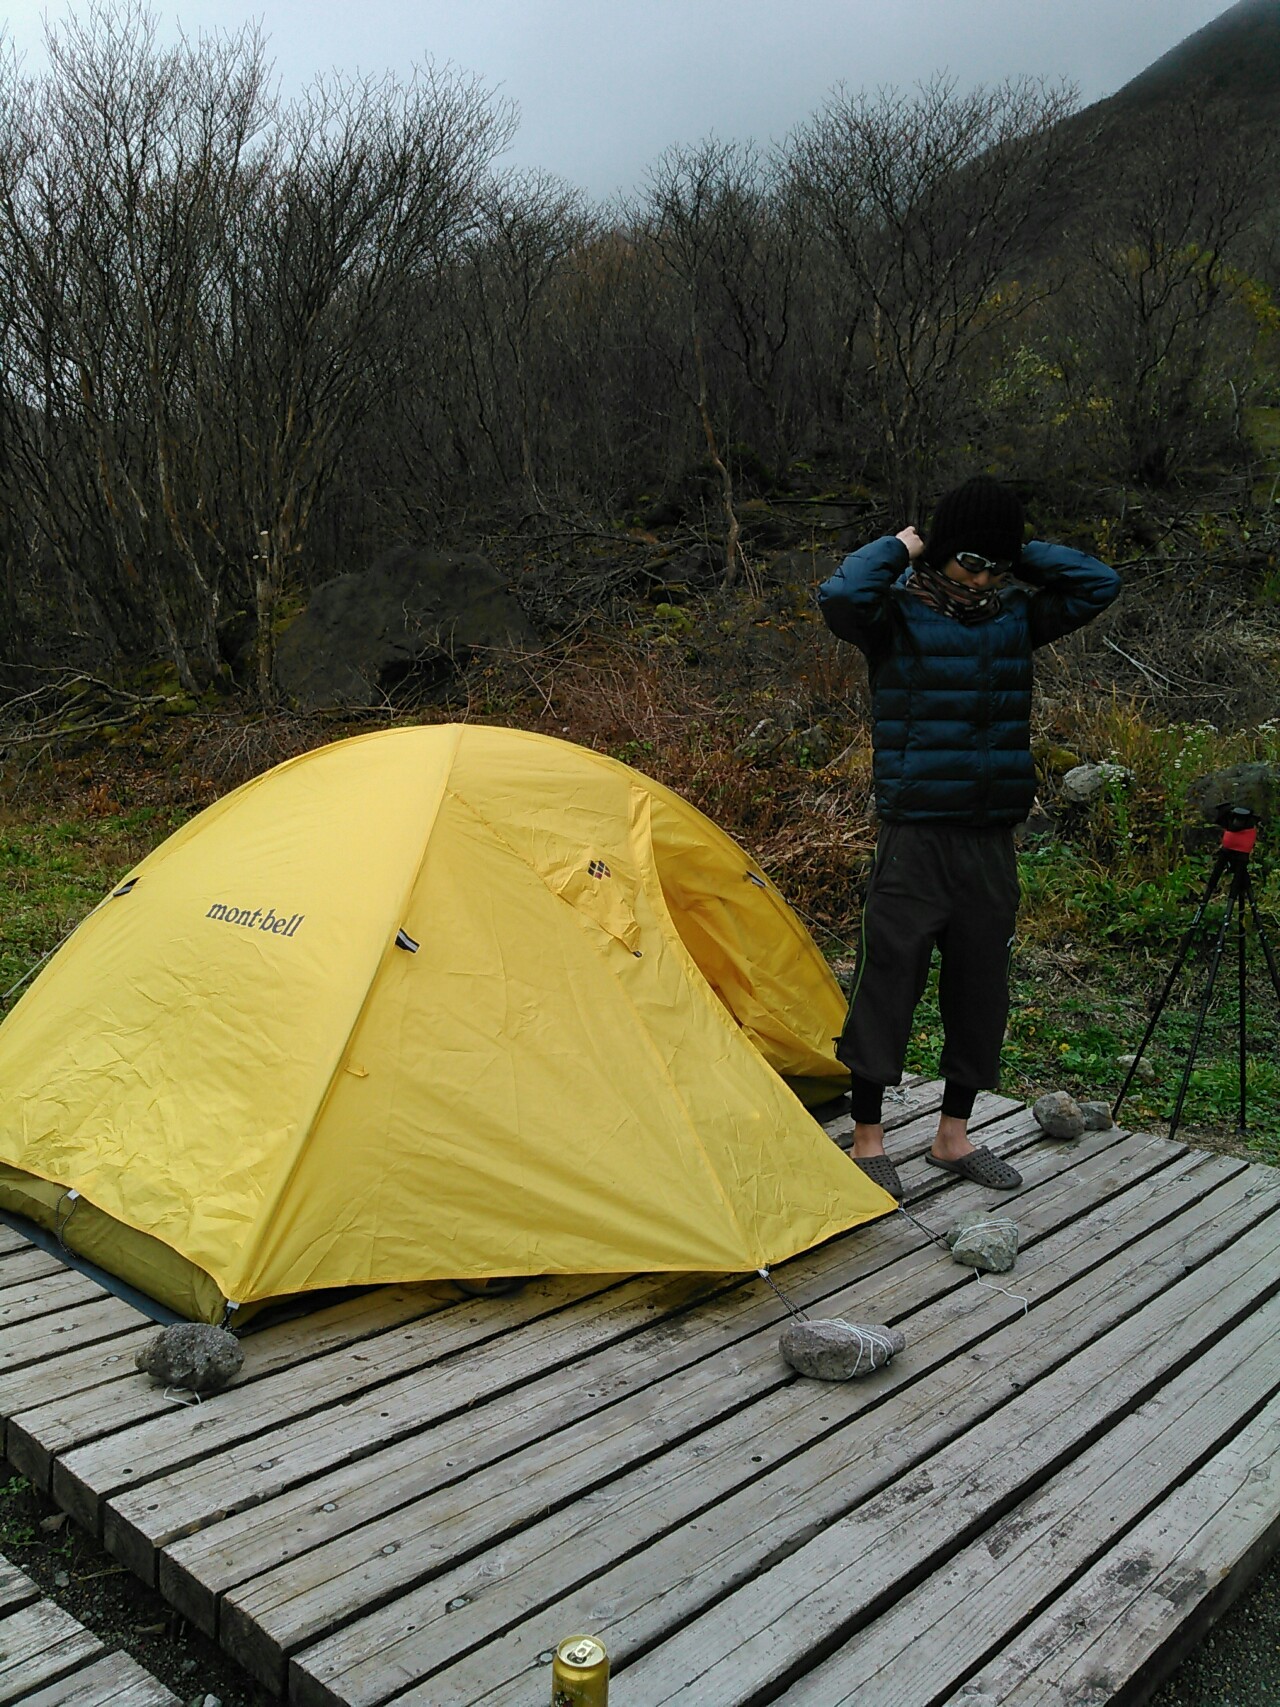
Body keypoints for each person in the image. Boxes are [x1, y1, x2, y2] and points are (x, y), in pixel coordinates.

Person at [817, 475, 1121, 1200]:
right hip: (915, 834)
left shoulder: (1015, 616)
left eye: (995, 565)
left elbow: (1098, 584)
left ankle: (952, 1136)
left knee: (981, 989)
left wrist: (1018, 549)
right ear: (941, 551)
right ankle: (868, 1140)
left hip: (990, 836)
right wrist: (905, 544)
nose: (981, 577)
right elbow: (840, 596)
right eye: (969, 561)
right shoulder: (893, 615)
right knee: (888, 982)